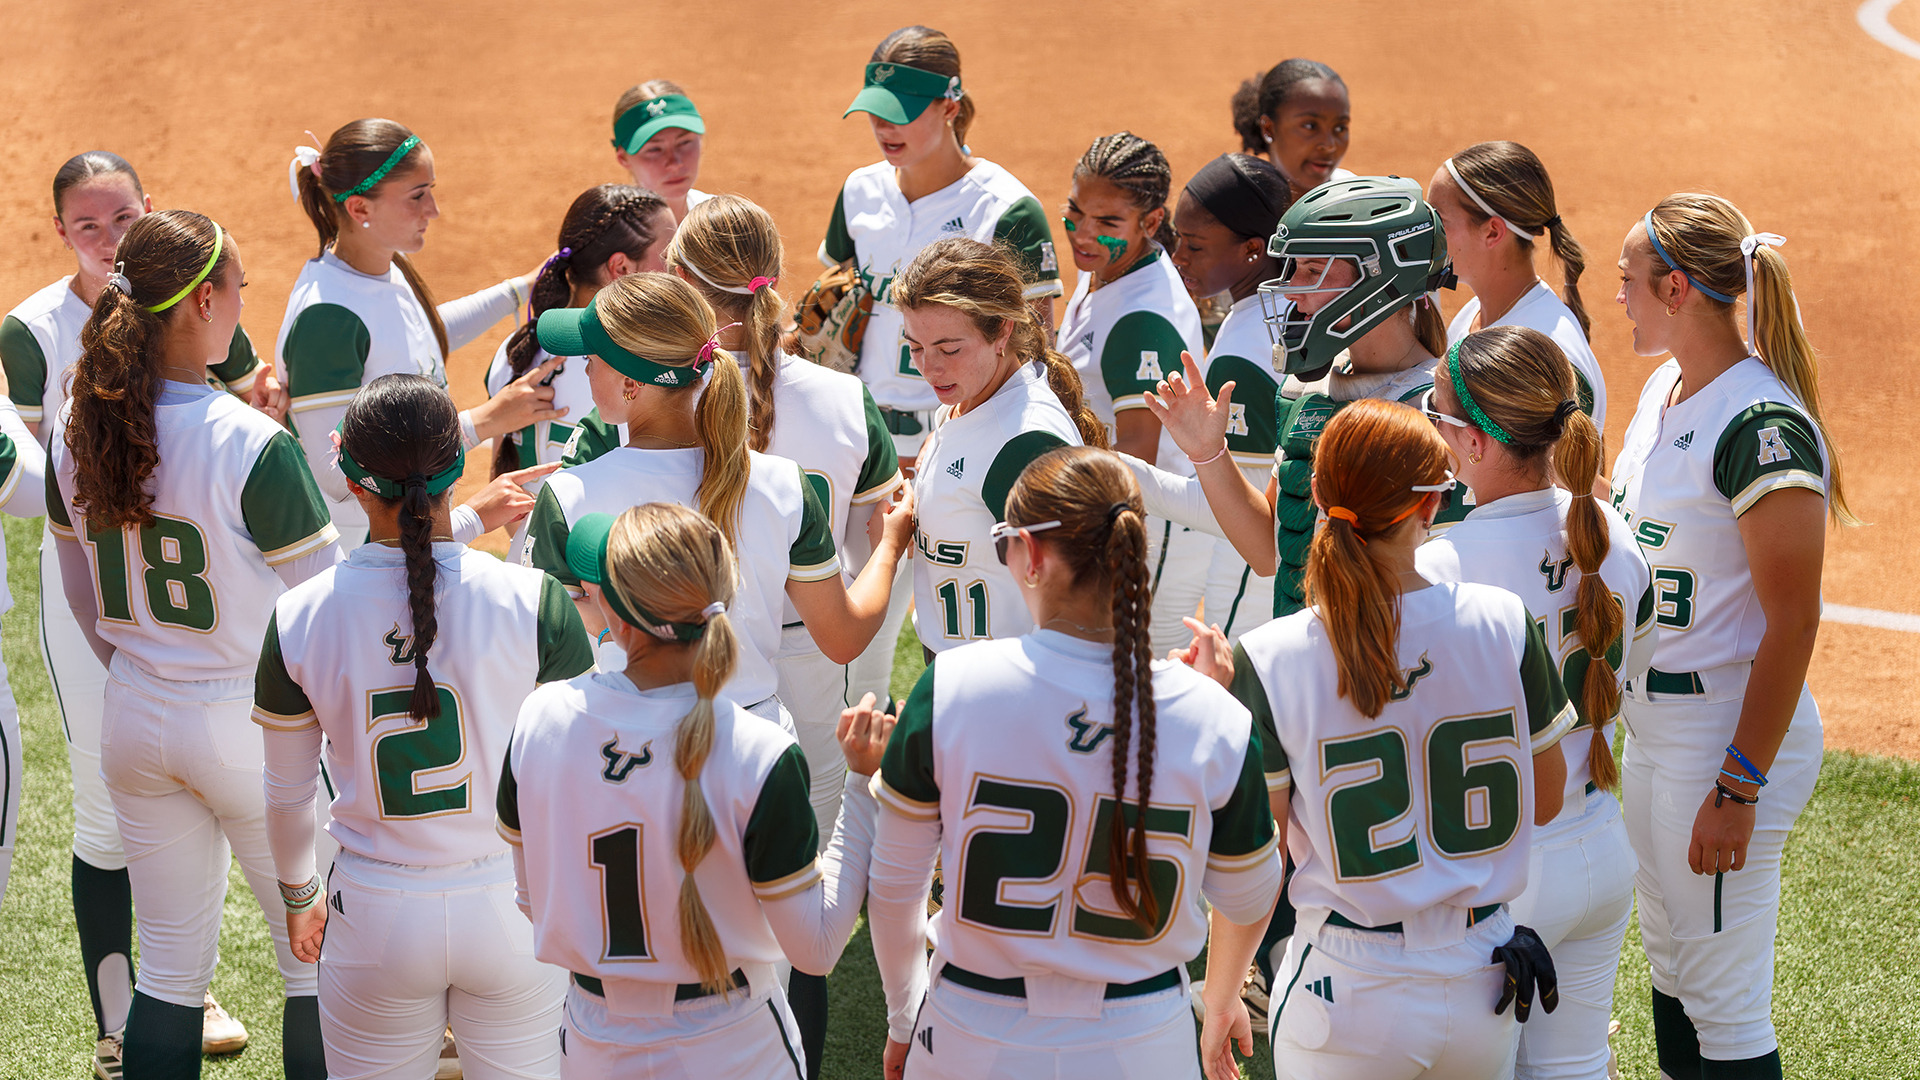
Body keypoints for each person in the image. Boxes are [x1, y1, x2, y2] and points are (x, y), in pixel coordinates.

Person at [865, 446, 1283, 1080]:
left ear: (1031, 555)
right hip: (1142, 1037)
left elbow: (895, 889)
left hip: (973, 1029)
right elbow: (1250, 894)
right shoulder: (1215, 716)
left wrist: (903, 1017)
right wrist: (1222, 1002)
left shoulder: (950, 685)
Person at [1143, 177, 1452, 1027]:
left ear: (1383, 277)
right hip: (1301, 683)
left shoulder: (1445, 409)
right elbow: (1271, 549)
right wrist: (1209, 457)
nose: (1290, 292)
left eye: (1315, 271)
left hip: (1390, 692)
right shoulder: (1310, 397)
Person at [1198, 398, 1572, 1078]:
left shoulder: (1272, 654)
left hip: (1346, 990)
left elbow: (1258, 860)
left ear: (1317, 494)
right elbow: (1546, 800)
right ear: (1432, 505)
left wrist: (1222, 993)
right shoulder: (1505, 623)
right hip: (1481, 980)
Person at [48, 211, 340, 1079]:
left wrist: (146, 672)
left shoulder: (76, 424)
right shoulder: (252, 444)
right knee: (314, 970)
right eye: (240, 290)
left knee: (170, 976)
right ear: (205, 300)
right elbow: (331, 619)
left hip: (136, 715)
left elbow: (82, 600)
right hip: (253, 736)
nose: (245, 306)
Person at [0, 150, 271, 1071]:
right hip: (102, 598)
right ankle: (121, 1021)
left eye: (122, 220)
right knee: (103, 811)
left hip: (163, 603)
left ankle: (174, 987)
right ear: (60, 233)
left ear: (148, 213)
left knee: (174, 794)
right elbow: (42, 487)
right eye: (88, 226)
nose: (108, 241)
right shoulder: (33, 330)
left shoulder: (190, 306)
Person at [251, 375, 592, 1079]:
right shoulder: (537, 601)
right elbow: (578, 779)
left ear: (350, 475)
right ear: (456, 469)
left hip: (374, 911)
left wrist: (299, 897)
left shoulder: (299, 616)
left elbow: (286, 798)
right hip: (515, 906)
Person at [500, 503, 884, 1078]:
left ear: (618, 620)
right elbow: (818, 948)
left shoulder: (539, 719)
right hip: (731, 1043)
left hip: (594, 1040)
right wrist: (861, 785)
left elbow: (532, 902)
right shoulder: (760, 751)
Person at [1611, 194, 1850, 1080]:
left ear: (1676, 288)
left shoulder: (1762, 427)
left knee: (1727, 1006)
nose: (1620, 299)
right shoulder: (1661, 392)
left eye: (1630, 282)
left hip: (1724, 737)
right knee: (1674, 976)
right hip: (1657, 732)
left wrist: (1738, 788)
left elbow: (1796, 621)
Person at [666, 192, 904, 1078]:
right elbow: (857, 548)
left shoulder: (643, 397)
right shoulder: (846, 400)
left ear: (679, 281)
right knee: (795, 894)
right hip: (801, 668)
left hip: (668, 664)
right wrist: (897, 542)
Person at [1415, 326, 1656, 1079]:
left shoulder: (1443, 567)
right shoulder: (1612, 533)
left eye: (1439, 416)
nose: (1434, 430)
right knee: (1577, 1068)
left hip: (1505, 879)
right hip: (1602, 849)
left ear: (1478, 445)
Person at [521, 272, 913, 727]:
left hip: (630, 746)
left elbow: (540, 646)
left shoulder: (570, 494)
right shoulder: (782, 483)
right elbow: (843, 638)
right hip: (759, 745)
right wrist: (888, 548)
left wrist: (609, 626)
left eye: (591, 357)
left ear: (631, 384)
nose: (585, 368)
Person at [282, 118, 562, 548]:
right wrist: (485, 421)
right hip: (366, 555)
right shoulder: (327, 319)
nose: (433, 210)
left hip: (412, 533)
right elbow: (335, 476)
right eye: (417, 196)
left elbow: (418, 333)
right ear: (360, 209)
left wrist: (519, 289)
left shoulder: (379, 267)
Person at [825, 24, 1062, 466]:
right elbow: (832, 298)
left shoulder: (1005, 209)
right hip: (861, 435)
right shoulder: (859, 190)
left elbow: (1035, 348)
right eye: (875, 112)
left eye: (901, 113)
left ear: (949, 106)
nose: (882, 127)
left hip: (963, 440)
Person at [892, 238, 1102, 655]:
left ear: (1002, 331)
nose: (929, 367)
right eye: (915, 347)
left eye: (949, 348)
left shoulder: (1024, 443)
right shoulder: (968, 400)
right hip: (962, 671)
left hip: (1005, 689)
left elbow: (1083, 594)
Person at [1056, 133, 1209, 656]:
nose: (1083, 233)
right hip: (1116, 511)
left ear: (1149, 222)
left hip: (1143, 528)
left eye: (1107, 223)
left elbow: (1136, 459)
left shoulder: (1142, 318)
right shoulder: (1107, 270)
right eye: (1076, 212)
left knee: (1144, 678)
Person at [486, 183, 673, 563]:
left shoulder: (517, 350)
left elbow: (504, 486)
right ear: (621, 267)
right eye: (668, 256)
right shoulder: (641, 368)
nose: (677, 268)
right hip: (610, 587)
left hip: (530, 573)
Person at [1168, 153, 1292, 642]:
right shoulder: (1296, 306)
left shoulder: (1240, 354)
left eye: (1195, 246)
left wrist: (1128, 478)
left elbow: (1244, 507)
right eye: (1178, 239)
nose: (1179, 256)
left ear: (1252, 250)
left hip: (1251, 584)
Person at [1428, 141, 1605, 428]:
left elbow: (1558, 472)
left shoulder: (1544, 351)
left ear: (1493, 232)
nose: (1429, 231)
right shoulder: (1473, 315)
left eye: (1439, 219)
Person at [1230, 60, 1354, 203]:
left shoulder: (1361, 200)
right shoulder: (1237, 210)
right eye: (1310, 126)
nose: (1329, 145)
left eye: (1340, 128)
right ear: (1269, 129)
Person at [609, 80, 712, 223]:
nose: (675, 163)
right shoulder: (606, 239)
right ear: (623, 158)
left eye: (684, 142)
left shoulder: (729, 226)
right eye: (654, 149)